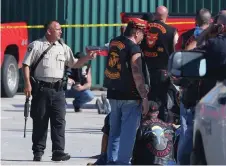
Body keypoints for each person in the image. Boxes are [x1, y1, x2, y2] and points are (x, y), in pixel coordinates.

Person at [22, 20, 97, 161]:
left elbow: (74, 63)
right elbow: (26, 64)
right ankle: (38, 152)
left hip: (58, 91)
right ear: (49, 31)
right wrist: (27, 84)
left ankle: (58, 151)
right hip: (42, 89)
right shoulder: (36, 45)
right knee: (40, 121)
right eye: (58, 29)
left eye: (61, 29)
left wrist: (87, 58)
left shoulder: (63, 47)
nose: (61, 32)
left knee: (59, 122)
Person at [176, 11, 226, 165]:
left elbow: (190, 59)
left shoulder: (215, 43)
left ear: (221, 27)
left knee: (197, 146)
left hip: (214, 107)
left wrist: (208, 32)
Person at [103, 20, 150, 165]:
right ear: (137, 32)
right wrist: (144, 97)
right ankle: (123, 163)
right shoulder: (134, 48)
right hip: (130, 96)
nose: (143, 37)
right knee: (127, 134)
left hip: (113, 92)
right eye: (143, 34)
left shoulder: (114, 43)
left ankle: (112, 161)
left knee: (114, 132)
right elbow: (137, 72)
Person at [140, 6, 179, 122]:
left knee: (145, 99)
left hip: (144, 70)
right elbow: (176, 51)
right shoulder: (172, 31)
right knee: (161, 102)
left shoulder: (144, 29)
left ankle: (144, 125)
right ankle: (160, 126)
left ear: (155, 15)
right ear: (166, 16)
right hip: (163, 71)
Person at [132, 101, 176, 165]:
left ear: (144, 111)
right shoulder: (168, 127)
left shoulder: (141, 126)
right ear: (157, 113)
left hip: (148, 162)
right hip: (167, 163)